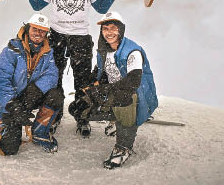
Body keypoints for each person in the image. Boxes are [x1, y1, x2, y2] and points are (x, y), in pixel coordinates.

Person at [24, 0, 120, 134]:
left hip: (80, 37)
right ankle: (55, 115)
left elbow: (101, 8)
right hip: (57, 36)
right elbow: (37, 5)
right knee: (54, 76)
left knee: (83, 79)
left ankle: (82, 117)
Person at [68, 11, 158, 169]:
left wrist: (102, 91)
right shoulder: (104, 50)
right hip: (114, 92)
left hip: (136, 95)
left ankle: (123, 147)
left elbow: (133, 81)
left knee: (124, 97)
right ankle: (116, 120)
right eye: (105, 29)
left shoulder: (132, 51)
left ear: (121, 30)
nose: (109, 32)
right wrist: (87, 91)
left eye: (113, 28)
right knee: (79, 108)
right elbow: (100, 72)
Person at [0, 14, 64, 155]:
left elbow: (52, 76)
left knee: (56, 95)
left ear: (46, 33)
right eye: (35, 29)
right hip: (13, 100)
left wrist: (34, 90)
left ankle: (39, 132)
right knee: (9, 148)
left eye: (42, 30)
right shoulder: (12, 50)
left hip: (31, 96)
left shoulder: (48, 52)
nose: (38, 33)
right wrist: (11, 103)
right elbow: (0, 78)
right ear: (28, 29)